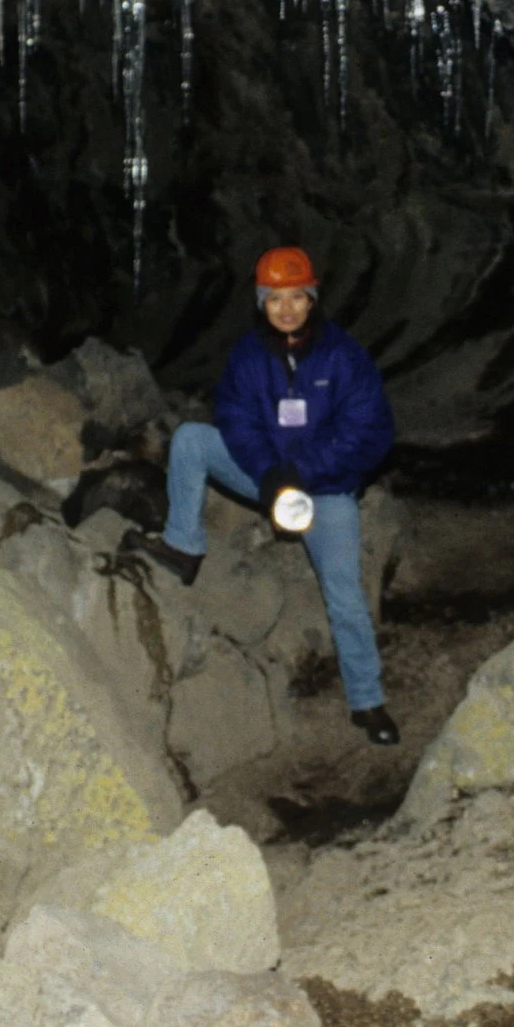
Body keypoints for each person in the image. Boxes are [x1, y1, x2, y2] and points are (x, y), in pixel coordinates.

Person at [133, 246, 400, 745]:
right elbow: (236, 421)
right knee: (191, 439)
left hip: (324, 489)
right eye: (274, 299)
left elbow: (370, 431)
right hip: (269, 476)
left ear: (312, 298)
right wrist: (269, 473)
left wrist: (302, 471)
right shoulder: (248, 355)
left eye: (296, 296)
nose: (286, 309)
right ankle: (184, 546)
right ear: (261, 303)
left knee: (345, 596)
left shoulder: (343, 356)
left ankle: (368, 702)